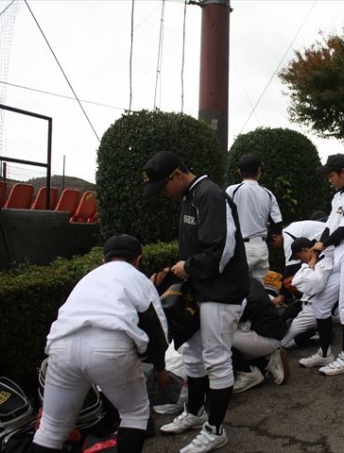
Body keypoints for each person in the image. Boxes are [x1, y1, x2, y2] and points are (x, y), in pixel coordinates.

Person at [143, 151, 249, 453]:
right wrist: (181, 269)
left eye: (164, 186)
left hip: (222, 291)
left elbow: (223, 247)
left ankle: (215, 430)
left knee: (216, 359)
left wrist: (188, 267)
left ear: (177, 174)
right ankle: (195, 411)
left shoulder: (209, 194)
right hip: (201, 289)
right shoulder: (191, 196)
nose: (164, 193)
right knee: (192, 353)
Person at [30, 234, 169, 453]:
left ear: (104, 260)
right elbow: (156, 327)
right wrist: (161, 369)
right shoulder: (138, 278)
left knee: (50, 430)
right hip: (110, 345)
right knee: (134, 413)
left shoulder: (88, 278)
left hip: (61, 346)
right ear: (138, 260)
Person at [298, 154, 344, 376]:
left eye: (331, 175)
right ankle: (325, 352)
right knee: (320, 303)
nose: (329, 179)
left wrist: (322, 246)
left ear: (343, 172)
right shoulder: (338, 196)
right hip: (338, 253)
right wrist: (316, 253)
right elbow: (329, 228)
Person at [226, 153, 283, 283]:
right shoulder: (268, 193)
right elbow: (277, 224)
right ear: (259, 169)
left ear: (239, 171)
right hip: (261, 247)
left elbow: (223, 218)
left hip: (240, 246)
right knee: (258, 289)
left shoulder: (232, 190)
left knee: (238, 287)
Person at [232, 278, 290, 394]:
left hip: (266, 338)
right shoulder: (247, 280)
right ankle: (265, 361)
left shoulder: (235, 288)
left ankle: (248, 373)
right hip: (269, 335)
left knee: (216, 336)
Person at [280, 237, 334, 350]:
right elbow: (307, 294)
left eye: (299, 256)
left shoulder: (321, 263)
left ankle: (317, 332)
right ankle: (321, 330)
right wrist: (295, 290)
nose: (301, 260)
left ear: (305, 250)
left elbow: (315, 287)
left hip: (312, 311)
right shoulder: (315, 263)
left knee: (283, 343)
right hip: (309, 307)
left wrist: (311, 262)